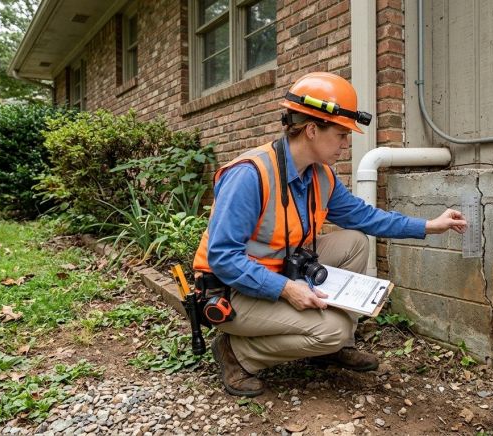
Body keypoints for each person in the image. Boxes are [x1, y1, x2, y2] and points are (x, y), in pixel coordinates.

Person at [192, 72, 467, 397]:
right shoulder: (249, 176)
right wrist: (286, 290)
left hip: (279, 268)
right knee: (332, 329)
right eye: (340, 134)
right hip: (232, 290)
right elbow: (223, 259)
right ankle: (236, 354)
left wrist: (427, 225)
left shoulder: (321, 176)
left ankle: (330, 348)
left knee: (353, 242)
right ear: (311, 130)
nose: (346, 144)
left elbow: (364, 217)